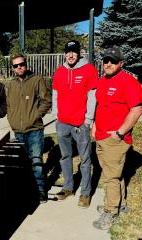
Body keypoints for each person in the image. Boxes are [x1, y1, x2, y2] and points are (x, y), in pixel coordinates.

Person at [92, 47, 142, 230]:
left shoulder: (129, 82)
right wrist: (96, 125)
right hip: (101, 136)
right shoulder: (103, 81)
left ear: (121, 63)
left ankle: (110, 212)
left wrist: (120, 133)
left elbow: (137, 109)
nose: (108, 64)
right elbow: (101, 105)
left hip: (115, 139)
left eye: (113, 61)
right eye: (106, 60)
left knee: (111, 178)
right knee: (114, 175)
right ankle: (120, 205)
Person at [52, 40, 99, 208]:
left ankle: (85, 193)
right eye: (68, 52)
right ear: (64, 54)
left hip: (80, 123)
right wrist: (56, 115)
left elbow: (93, 95)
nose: (70, 55)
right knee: (65, 157)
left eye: (73, 52)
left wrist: (88, 119)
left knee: (85, 160)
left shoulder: (89, 70)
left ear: (79, 53)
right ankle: (68, 187)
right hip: (63, 122)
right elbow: (55, 94)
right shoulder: (59, 72)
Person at [6, 54, 52, 203]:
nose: (19, 67)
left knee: (36, 161)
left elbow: (46, 100)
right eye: (15, 65)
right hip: (18, 131)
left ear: (26, 64)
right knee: (22, 163)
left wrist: (36, 116)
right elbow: (9, 105)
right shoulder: (11, 84)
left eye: (21, 64)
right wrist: (12, 119)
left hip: (34, 130)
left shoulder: (36, 79)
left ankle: (40, 191)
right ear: (12, 68)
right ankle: (27, 190)